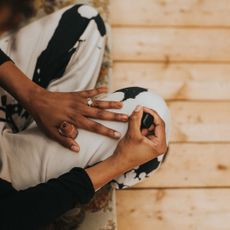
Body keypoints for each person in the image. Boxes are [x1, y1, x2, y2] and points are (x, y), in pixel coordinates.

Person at [0, 1, 168, 229]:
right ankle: (68, 176)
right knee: (146, 114)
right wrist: (118, 163)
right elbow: (14, 217)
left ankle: (41, 128)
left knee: (86, 20)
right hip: (8, 178)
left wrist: (34, 97)